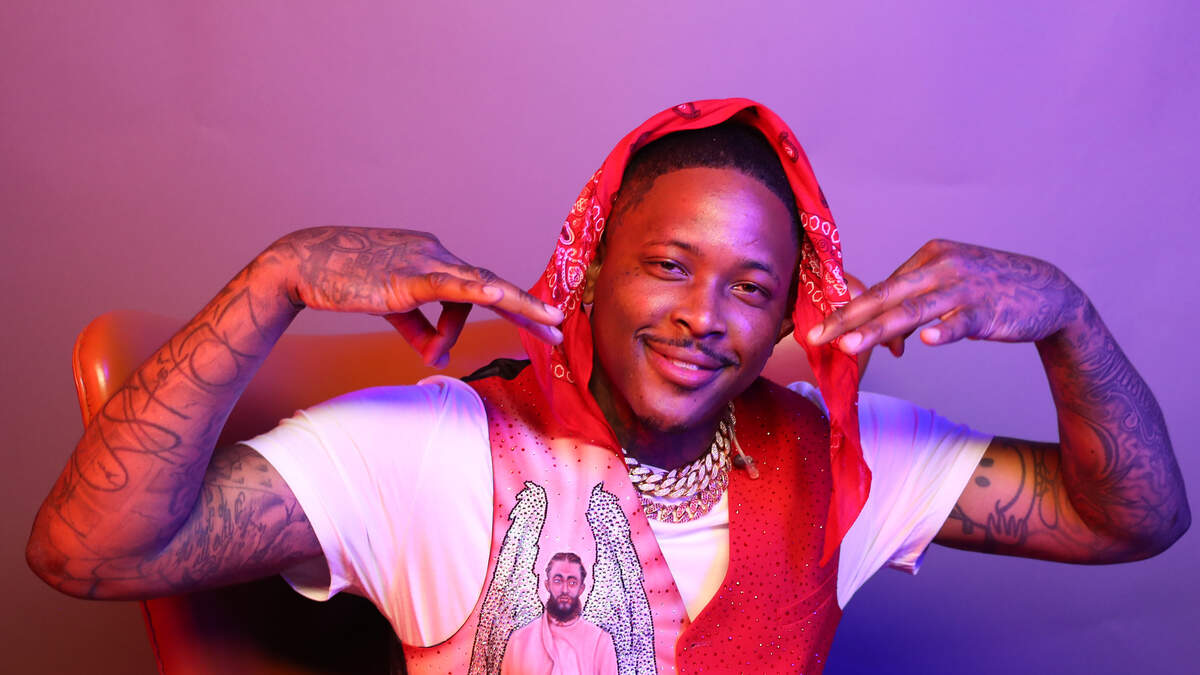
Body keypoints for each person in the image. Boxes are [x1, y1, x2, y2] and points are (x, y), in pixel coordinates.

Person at [26, 98, 1189, 674]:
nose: (703, 316)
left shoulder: (847, 453)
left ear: (789, 313)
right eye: (667, 266)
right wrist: (274, 281)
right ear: (589, 271)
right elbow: (88, 554)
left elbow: (1130, 521)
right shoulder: (436, 449)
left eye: (751, 286)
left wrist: (1070, 323)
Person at [501, 552, 618, 675]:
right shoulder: (520, 640)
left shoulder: (601, 642)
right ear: (547, 585)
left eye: (572, 583)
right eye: (558, 581)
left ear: (581, 589)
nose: (565, 590)